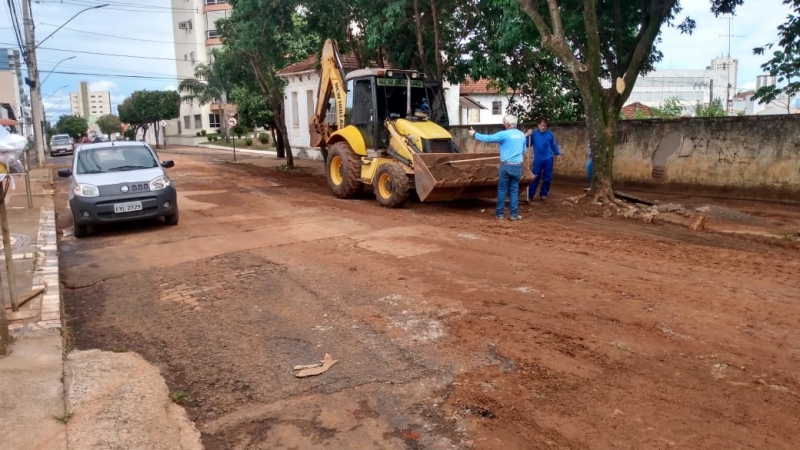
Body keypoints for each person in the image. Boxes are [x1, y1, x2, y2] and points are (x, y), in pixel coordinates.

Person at [469, 114, 526, 221]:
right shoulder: (522, 135)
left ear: (508, 124)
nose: (503, 124)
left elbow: (489, 138)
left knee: (502, 190)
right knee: (514, 190)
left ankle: (500, 214)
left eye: (504, 123)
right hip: (517, 166)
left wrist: (474, 134)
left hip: (506, 165)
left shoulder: (504, 134)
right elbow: (524, 151)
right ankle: (514, 214)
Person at [525, 118, 561, 201]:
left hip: (548, 159)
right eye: (542, 125)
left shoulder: (549, 134)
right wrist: (527, 136)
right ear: (538, 125)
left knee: (547, 178)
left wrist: (557, 154)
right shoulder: (533, 134)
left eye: (545, 125)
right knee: (535, 178)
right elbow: (528, 145)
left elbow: (553, 145)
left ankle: (543, 193)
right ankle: (530, 195)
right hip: (538, 159)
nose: (543, 127)